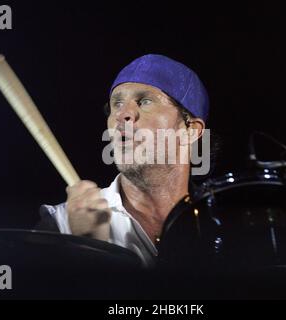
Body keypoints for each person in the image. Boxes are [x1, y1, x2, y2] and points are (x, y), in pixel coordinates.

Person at [37, 54, 209, 266]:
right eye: (117, 103)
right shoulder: (60, 226)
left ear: (191, 130)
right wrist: (84, 249)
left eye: (145, 101)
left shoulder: (218, 225)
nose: (122, 114)